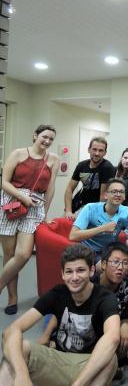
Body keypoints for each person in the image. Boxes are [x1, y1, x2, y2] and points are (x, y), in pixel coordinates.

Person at [0, 244, 120, 386]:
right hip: (60, 363)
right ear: (63, 274)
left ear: (92, 270)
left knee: (111, 359)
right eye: (69, 271)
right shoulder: (57, 293)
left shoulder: (105, 298)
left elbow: (113, 337)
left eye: (81, 270)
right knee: (17, 348)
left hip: (89, 368)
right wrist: (21, 375)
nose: (74, 277)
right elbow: (11, 331)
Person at [38, 241, 128, 362]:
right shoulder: (88, 284)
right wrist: (46, 335)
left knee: (125, 339)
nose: (120, 267)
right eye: (115, 262)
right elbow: (63, 309)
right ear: (103, 264)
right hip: (84, 327)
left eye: (125, 263)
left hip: (109, 328)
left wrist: (125, 326)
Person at [0, 124, 59, 315]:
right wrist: (21, 196)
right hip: (11, 204)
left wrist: (45, 213)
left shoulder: (53, 159)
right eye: (44, 137)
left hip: (34, 207)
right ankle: (12, 299)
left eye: (51, 139)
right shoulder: (18, 154)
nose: (47, 141)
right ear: (35, 136)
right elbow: (4, 182)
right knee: (9, 255)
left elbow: (50, 188)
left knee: (23, 254)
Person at [70, 178, 128, 300]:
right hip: (90, 252)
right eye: (114, 191)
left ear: (124, 196)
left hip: (111, 251)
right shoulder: (90, 208)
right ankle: (103, 300)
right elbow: (73, 235)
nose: (118, 194)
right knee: (105, 266)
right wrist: (102, 228)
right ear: (106, 195)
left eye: (121, 192)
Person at [64, 136, 115, 219]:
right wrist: (68, 211)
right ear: (89, 150)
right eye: (94, 149)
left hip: (94, 209)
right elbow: (69, 188)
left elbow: (103, 196)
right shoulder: (81, 165)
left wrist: (97, 217)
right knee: (61, 222)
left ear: (105, 153)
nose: (97, 153)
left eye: (101, 150)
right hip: (78, 204)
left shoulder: (107, 168)